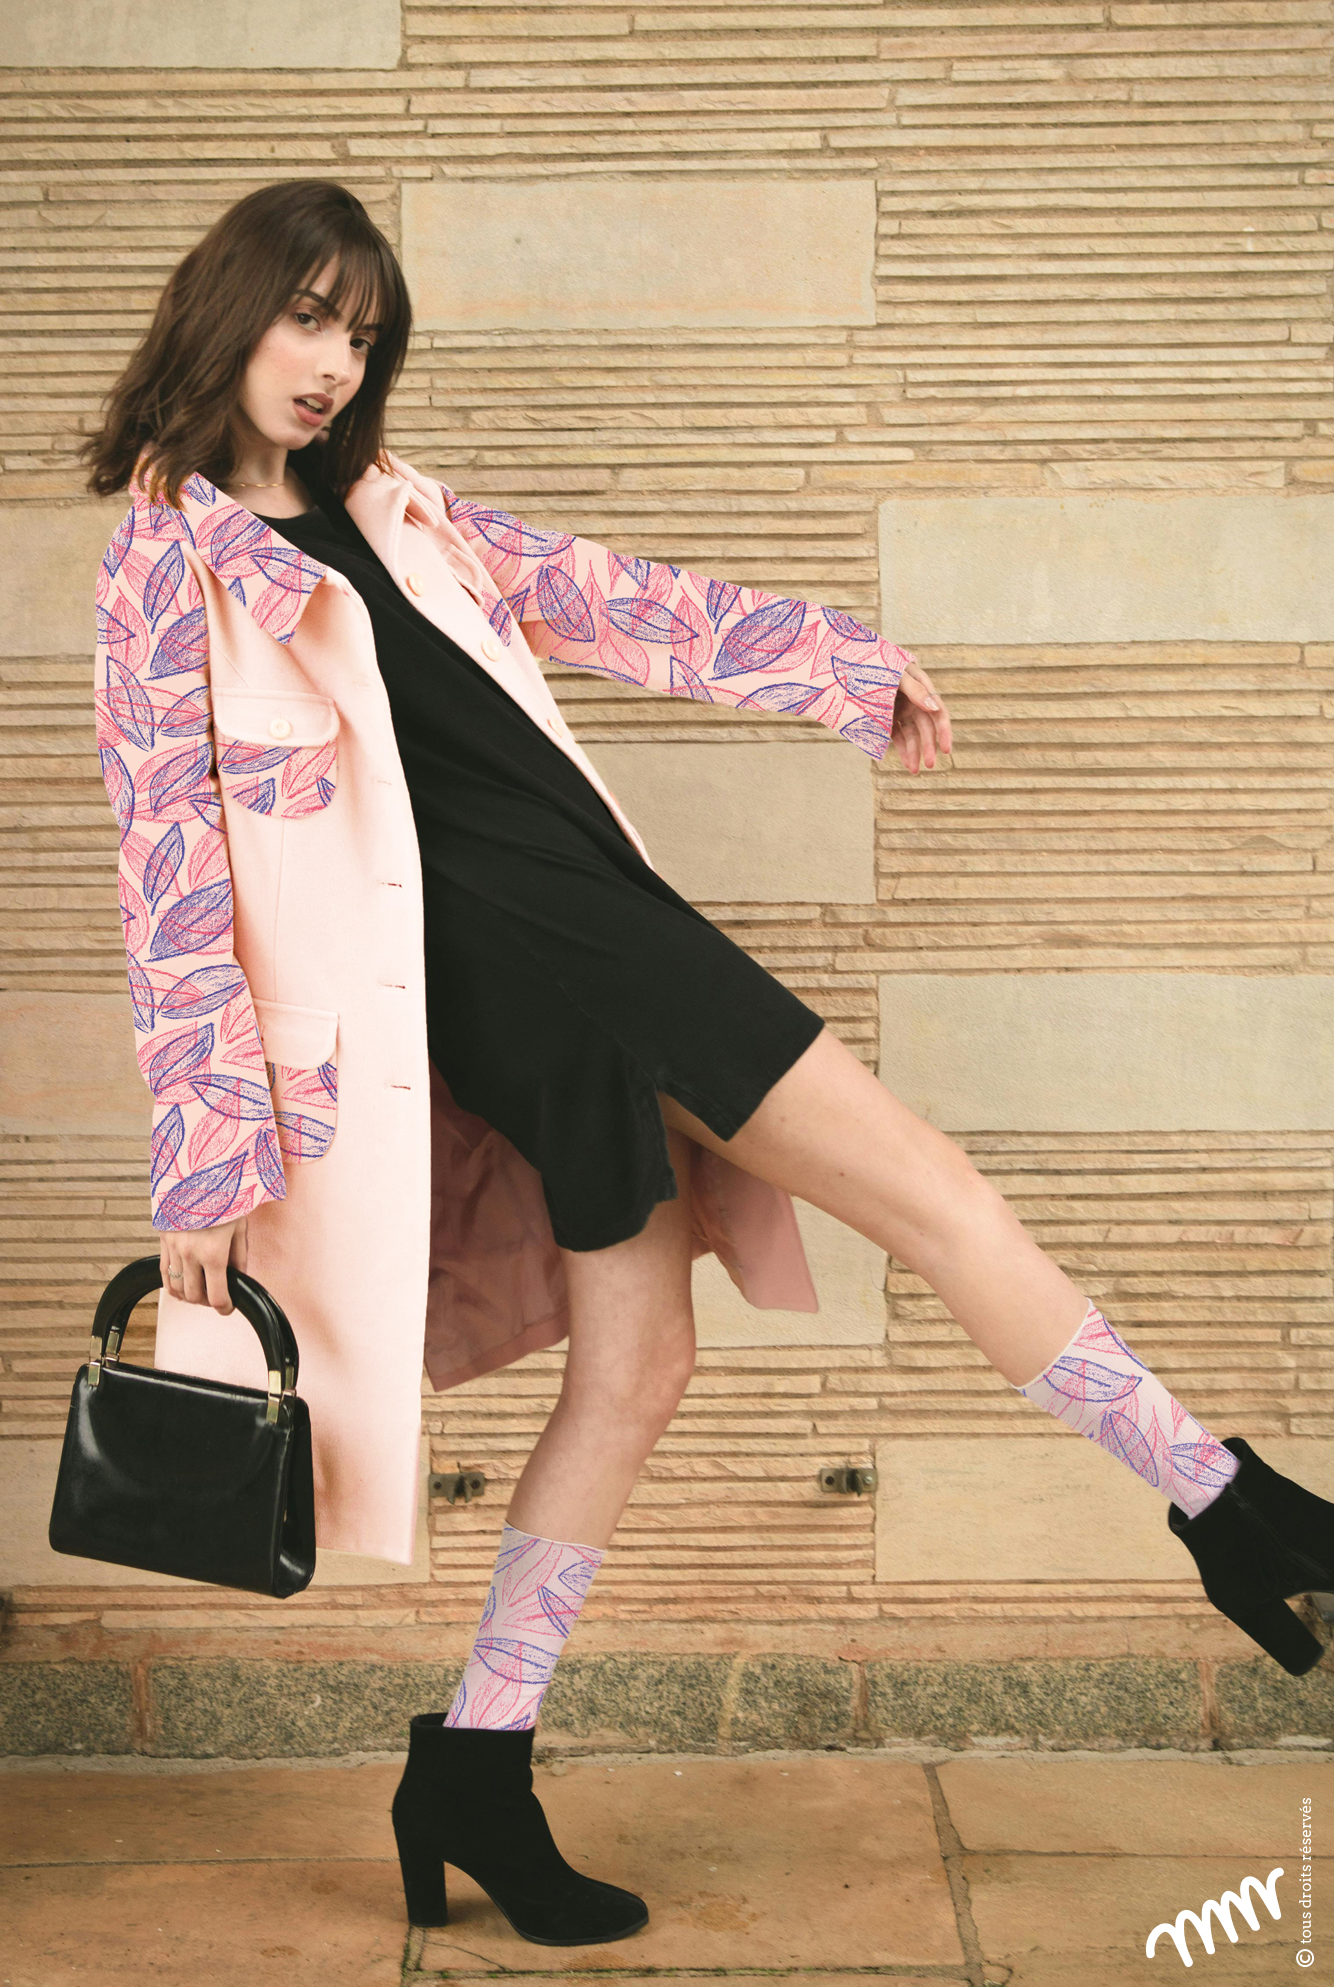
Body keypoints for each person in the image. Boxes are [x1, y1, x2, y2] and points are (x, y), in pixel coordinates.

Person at [81, 179, 1334, 1948]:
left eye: (359, 332)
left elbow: (610, 597)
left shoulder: (395, 506)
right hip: (544, 968)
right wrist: (204, 1160)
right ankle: (1226, 1504)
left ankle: (474, 1764)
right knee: (934, 1196)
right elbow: (170, 872)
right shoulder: (169, 568)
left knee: (641, 1365)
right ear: (225, 312)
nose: (333, 362)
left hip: (584, 934)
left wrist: (841, 668)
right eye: (304, 319)